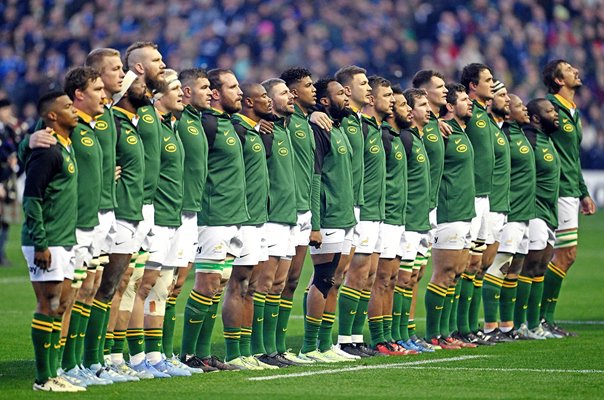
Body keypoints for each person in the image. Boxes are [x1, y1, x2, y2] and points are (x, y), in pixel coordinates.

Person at [179, 69, 247, 371]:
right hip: (212, 215)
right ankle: (188, 354)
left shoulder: (225, 123)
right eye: (232, 87)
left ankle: (204, 354)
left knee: (218, 285)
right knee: (206, 284)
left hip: (232, 216)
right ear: (216, 93)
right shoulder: (205, 123)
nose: (240, 92)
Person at [23, 91, 83, 392]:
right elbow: (31, 199)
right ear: (52, 117)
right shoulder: (46, 150)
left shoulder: (65, 146)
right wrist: (41, 242)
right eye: (68, 107)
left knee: (61, 305)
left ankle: (54, 371)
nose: (75, 111)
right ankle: (43, 378)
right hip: (47, 240)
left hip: (64, 239)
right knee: (48, 304)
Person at [299, 77, 356, 362]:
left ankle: (324, 343)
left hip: (344, 217)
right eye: (340, 93)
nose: (346, 97)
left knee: (334, 280)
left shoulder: (337, 127)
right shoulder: (319, 129)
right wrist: (316, 224)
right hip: (329, 215)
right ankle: (310, 346)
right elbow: (316, 177)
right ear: (324, 101)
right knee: (322, 278)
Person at [542, 60, 597, 336]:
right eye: (568, 68)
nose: (576, 70)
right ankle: (540, 318)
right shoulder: (548, 109)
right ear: (558, 79)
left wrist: (584, 192)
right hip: (556, 189)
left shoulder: (572, 111)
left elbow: (571, 157)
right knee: (560, 254)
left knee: (563, 255)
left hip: (570, 190)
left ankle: (542, 319)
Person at [482, 86, 536, 340]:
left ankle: (507, 326)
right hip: (510, 210)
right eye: (518, 105)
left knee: (513, 269)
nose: (524, 108)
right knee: (499, 266)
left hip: (524, 212)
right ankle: (490, 326)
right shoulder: (504, 135)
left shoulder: (519, 134)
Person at [517, 98, 562, 339]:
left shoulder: (548, 140)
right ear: (535, 118)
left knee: (541, 267)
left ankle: (535, 325)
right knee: (530, 266)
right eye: (550, 110)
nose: (555, 114)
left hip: (549, 211)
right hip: (533, 210)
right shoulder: (529, 139)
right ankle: (519, 323)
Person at [457, 63, 495, 340]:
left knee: (478, 264)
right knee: (464, 264)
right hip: (469, 198)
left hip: (485, 197)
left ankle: (471, 327)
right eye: (488, 80)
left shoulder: (483, 113)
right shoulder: (467, 113)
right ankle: (458, 327)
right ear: (473, 85)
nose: (493, 84)